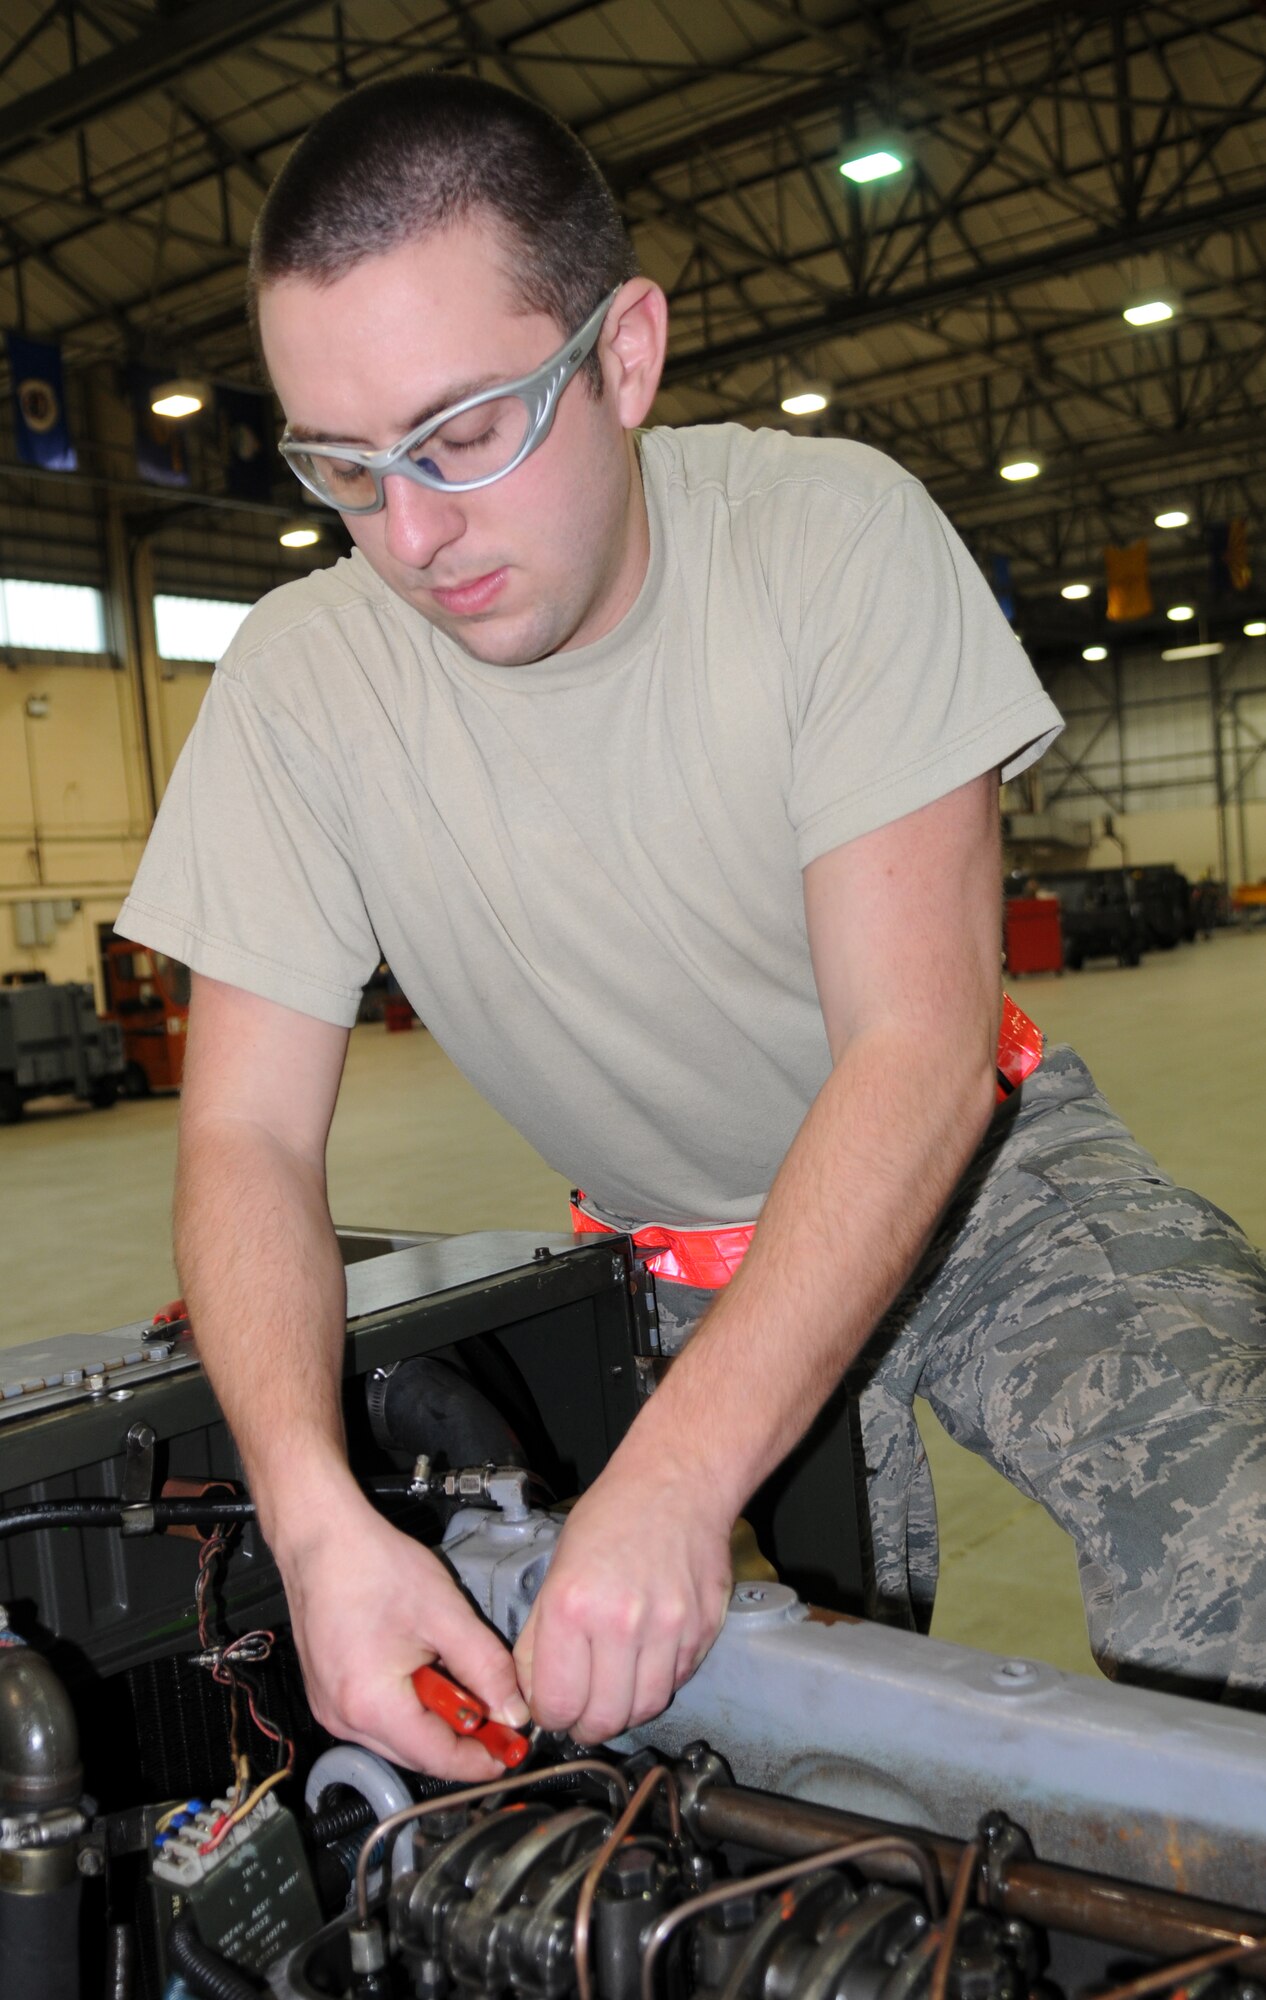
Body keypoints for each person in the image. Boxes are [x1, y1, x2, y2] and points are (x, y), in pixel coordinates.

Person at [118, 75, 1266, 1777]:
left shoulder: (826, 539)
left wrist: (673, 1481)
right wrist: (307, 1518)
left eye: (459, 433)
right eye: (343, 468)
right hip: (655, 1254)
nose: (411, 537)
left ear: (626, 353)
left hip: (977, 1185)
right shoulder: (302, 682)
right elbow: (245, 1134)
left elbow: (917, 1051)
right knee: (711, 1765)